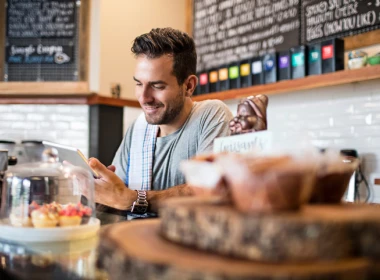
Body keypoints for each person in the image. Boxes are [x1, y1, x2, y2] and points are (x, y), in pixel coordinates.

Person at [83, 28, 233, 213]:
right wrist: (101, 195)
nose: (144, 97)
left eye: (157, 86)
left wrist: (133, 199)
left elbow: (209, 189)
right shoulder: (138, 128)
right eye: (139, 84)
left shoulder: (212, 116)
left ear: (188, 85)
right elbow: (118, 197)